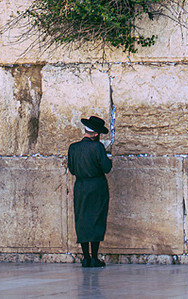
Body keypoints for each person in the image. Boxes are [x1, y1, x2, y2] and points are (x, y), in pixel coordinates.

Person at [67, 114, 112, 267]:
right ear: (97, 134)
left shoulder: (73, 148)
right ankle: (95, 257)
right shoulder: (97, 147)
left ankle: (86, 257)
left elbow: (72, 169)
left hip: (80, 186)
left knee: (82, 220)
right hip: (97, 186)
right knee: (96, 219)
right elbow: (107, 168)